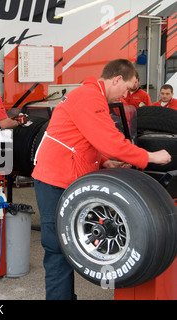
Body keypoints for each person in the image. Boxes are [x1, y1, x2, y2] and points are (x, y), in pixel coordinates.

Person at [32, 59, 171, 300]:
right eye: (126, 89)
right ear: (116, 79)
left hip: (67, 175)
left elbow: (85, 139)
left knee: (68, 246)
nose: (126, 95)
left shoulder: (91, 95)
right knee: (57, 248)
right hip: (54, 179)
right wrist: (149, 157)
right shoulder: (90, 98)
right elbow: (110, 141)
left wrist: (103, 160)